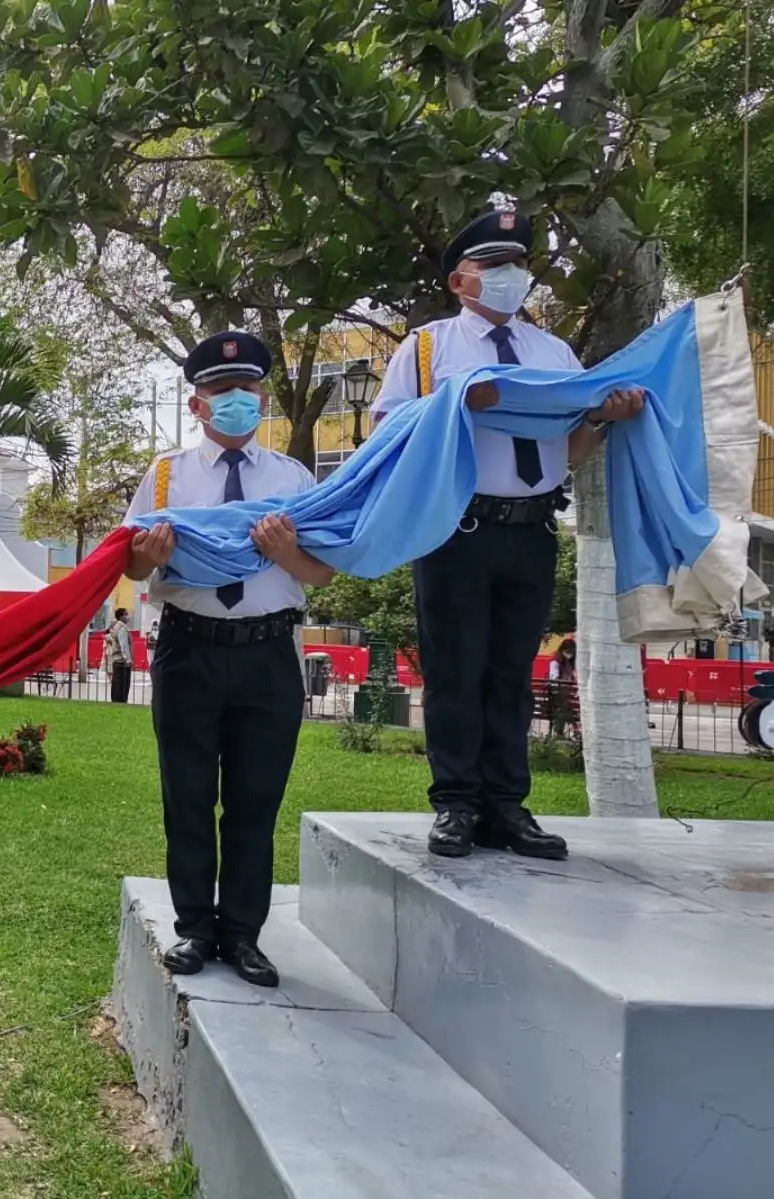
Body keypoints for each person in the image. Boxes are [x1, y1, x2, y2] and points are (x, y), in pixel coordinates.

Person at [371, 209, 644, 860]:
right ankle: (457, 804)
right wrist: (457, 402)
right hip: (458, 528)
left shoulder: (554, 353)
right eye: (494, 266)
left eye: (518, 264)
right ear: (459, 281)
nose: (510, 276)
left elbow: (566, 450)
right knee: (455, 671)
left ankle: (506, 806)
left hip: (531, 529)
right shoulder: (429, 349)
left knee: (511, 674)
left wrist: (602, 420)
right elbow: (387, 436)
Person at [123, 332, 334, 989]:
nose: (235, 399)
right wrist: (149, 557)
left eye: (246, 388)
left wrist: (284, 552)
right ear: (197, 404)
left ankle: (243, 934)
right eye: (220, 390)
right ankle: (194, 928)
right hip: (189, 647)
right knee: (187, 796)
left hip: (267, 653)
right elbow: (130, 565)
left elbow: (322, 570)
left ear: (262, 398)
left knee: (254, 801)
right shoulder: (166, 475)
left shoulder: (292, 478)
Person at [105, 607, 134, 703]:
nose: (128, 616)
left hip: (117, 661)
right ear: (121, 616)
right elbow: (124, 645)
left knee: (117, 685)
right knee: (122, 687)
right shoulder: (122, 628)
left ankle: (117, 702)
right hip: (122, 662)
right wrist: (128, 660)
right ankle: (120, 703)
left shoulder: (116, 627)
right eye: (126, 614)